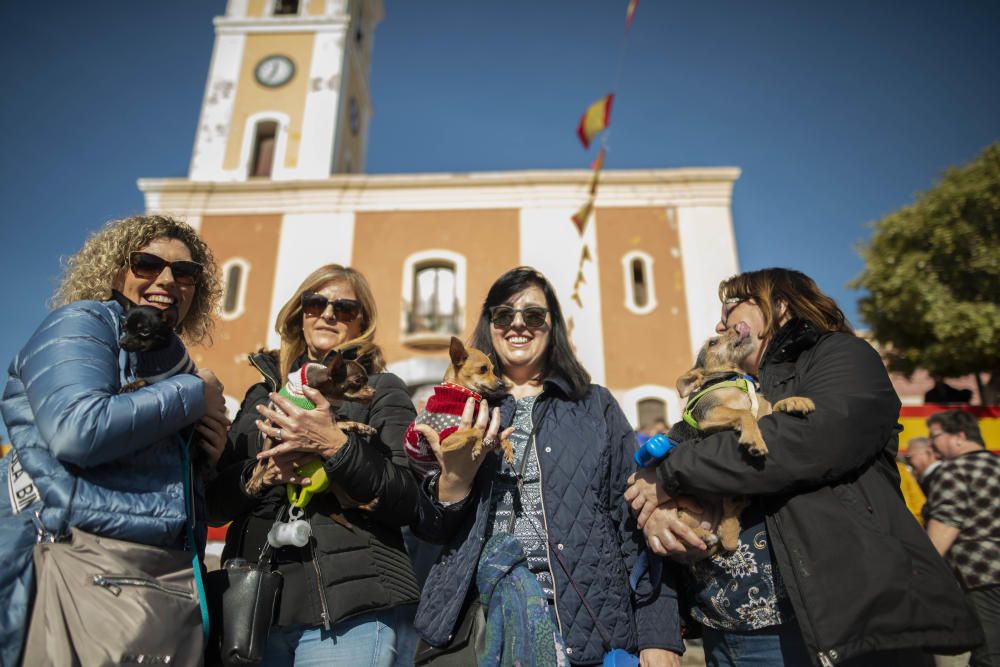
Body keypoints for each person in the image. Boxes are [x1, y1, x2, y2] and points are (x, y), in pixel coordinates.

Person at [624, 268, 983, 667]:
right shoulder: (740, 386)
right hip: (727, 630)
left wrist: (670, 473)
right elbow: (677, 451)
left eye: (730, 307)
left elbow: (800, 440)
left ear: (779, 305)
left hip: (831, 631)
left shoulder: (840, 356)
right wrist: (655, 501)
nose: (719, 323)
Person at [411, 267, 683, 666]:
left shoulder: (595, 406)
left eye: (534, 315)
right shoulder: (460, 410)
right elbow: (429, 531)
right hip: (478, 629)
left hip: (589, 628)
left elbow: (638, 519)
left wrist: (659, 634)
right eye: (504, 315)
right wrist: (454, 479)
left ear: (552, 325)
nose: (518, 324)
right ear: (490, 325)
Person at [0, 215, 228, 665]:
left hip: (155, 584)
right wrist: (194, 391)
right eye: (147, 264)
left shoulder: (169, 361)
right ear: (115, 269)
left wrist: (210, 457)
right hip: (85, 569)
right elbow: (77, 430)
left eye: (185, 274)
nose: (167, 280)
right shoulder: (83, 322)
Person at [207, 264, 420, 667]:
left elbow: (407, 499)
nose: (327, 314)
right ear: (298, 314)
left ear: (362, 321)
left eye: (343, 308)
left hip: (351, 606)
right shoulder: (262, 391)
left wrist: (335, 446)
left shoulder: (381, 389)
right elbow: (215, 504)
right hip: (255, 606)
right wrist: (262, 474)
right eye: (315, 303)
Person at [924, 410, 1000, 667]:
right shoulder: (996, 465)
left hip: (980, 575)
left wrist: (922, 570)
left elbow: (947, 521)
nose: (931, 443)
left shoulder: (955, 469)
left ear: (959, 436)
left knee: (989, 655)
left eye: (935, 436)